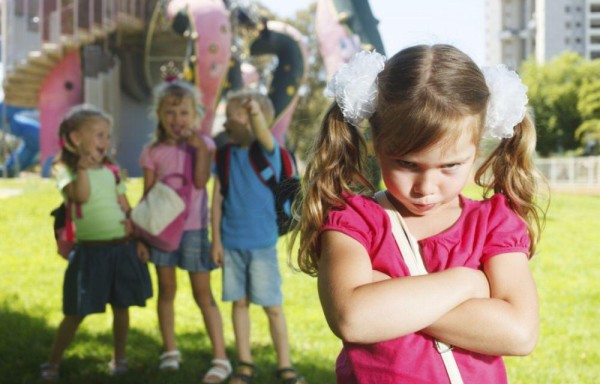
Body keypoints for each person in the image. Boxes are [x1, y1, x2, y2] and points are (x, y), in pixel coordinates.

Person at [290, 45, 548, 383]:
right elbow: (352, 318)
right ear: (377, 143)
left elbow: (519, 333)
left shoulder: (494, 224)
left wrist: (389, 297)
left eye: (450, 166)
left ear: (476, 150)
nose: (426, 186)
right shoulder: (352, 221)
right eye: (407, 164)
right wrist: (468, 282)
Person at [40, 104, 153, 381]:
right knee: (76, 311)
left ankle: (120, 358)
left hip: (121, 247)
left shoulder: (112, 170)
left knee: (122, 306)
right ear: (77, 139)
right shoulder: (65, 170)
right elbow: (82, 197)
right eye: (99, 135)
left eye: (107, 136)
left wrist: (137, 236)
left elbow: (126, 207)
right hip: (91, 253)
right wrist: (81, 166)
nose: (106, 141)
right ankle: (53, 362)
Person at [211, 90, 305, 384]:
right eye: (228, 117)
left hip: (262, 245)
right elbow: (216, 199)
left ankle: (285, 365)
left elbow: (263, 134)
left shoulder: (267, 150)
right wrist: (215, 240)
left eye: (235, 116)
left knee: (272, 307)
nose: (229, 123)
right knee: (238, 303)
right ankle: (245, 363)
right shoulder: (224, 155)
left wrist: (253, 113)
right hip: (231, 243)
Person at [140, 80, 231, 383]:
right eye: (170, 112)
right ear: (159, 115)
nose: (177, 119)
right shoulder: (152, 151)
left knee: (202, 293)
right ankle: (170, 350)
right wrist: (141, 236)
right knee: (166, 290)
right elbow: (148, 195)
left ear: (195, 115)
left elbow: (200, 181)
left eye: (183, 112)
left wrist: (199, 152)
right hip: (161, 231)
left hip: (193, 230)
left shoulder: (205, 145)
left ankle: (220, 357)